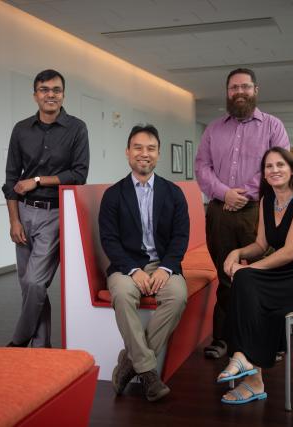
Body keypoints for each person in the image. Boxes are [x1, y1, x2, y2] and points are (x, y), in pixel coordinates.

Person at [215, 147, 293, 405]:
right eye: (268, 166)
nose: (274, 170)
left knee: (247, 280)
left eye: (280, 164)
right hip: (288, 274)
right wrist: (237, 252)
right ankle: (249, 369)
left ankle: (245, 363)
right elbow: (260, 244)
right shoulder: (267, 201)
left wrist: (248, 268)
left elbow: (291, 252)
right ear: (264, 174)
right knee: (246, 284)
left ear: (291, 169)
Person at [195, 68, 290, 359]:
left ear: (255, 90)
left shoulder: (273, 127)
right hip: (219, 212)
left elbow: (277, 167)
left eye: (245, 87)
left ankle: (269, 340)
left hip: (259, 211)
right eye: (234, 87)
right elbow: (201, 166)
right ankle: (224, 340)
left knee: (264, 273)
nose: (239, 92)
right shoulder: (213, 129)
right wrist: (225, 194)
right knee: (226, 276)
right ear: (227, 92)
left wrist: (243, 194)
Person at [99, 124, 189, 402]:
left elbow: (180, 236)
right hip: (126, 266)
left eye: (150, 148)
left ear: (158, 154)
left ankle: (129, 363)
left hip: (164, 264)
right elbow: (109, 240)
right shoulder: (113, 194)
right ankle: (149, 374)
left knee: (177, 295)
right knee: (123, 294)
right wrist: (133, 270)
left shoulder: (173, 193)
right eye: (138, 147)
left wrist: (166, 267)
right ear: (128, 153)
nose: (144, 153)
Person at [2, 69, 89, 348]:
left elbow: (79, 174)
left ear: (63, 94)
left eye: (55, 90)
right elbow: (10, 180)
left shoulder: (77, 128)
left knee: (36, 284)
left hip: (55, 214)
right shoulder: (21, 129)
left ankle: (18, 341)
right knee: (28, 287)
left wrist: (38, 180)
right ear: (35, 95)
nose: (50, 95)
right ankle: (41, 347)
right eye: (44, 89)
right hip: (24, 213)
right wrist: (14, 221)